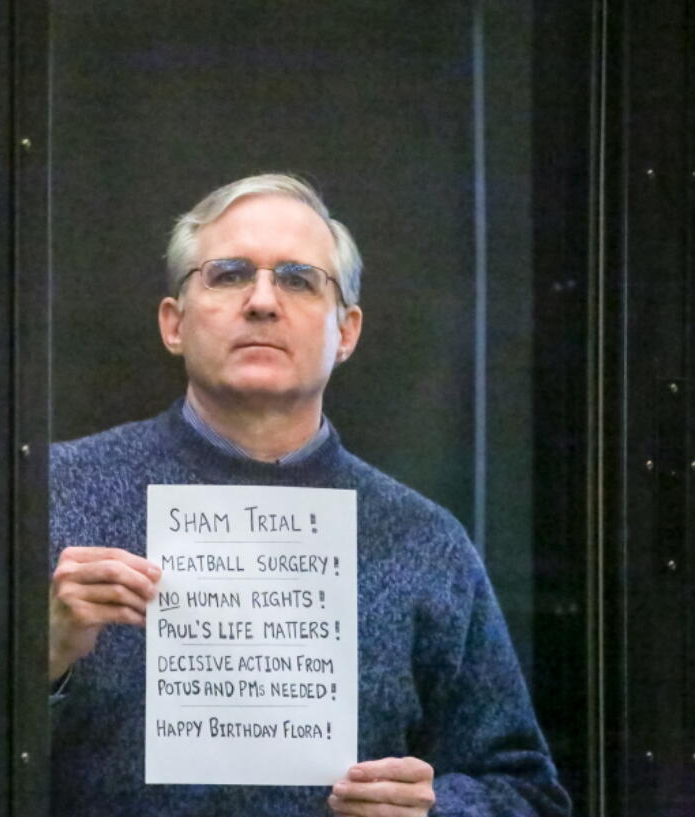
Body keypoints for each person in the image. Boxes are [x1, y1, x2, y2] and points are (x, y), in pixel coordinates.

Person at [48, 174, 570, 816]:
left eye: (298, 279)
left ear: (346, 332)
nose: (263, 301)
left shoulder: (423, 539)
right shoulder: (51, 495)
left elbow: (526, 791)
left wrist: (438, 812)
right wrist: (40, 657)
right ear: (174, 322)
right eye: (229, 273)